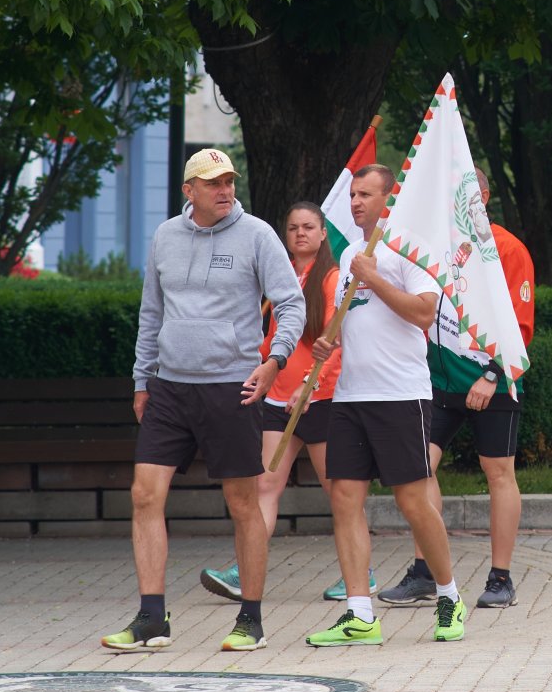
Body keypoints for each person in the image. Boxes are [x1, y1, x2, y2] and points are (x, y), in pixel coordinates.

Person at [102, 148, 304, 654]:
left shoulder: (257, 234)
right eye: (213, 182)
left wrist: (274, 359)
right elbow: (152, 313)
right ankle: (152, 617)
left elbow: (291, 303)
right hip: (169, 386)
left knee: (242, 502)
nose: (225, 189)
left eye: (230, 180)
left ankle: (250, 619)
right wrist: (141, 381)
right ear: (188, 190)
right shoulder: (165, 236)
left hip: (231, 385)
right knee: (144, 495)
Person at [306, 163, 469, 646]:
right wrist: (327, 344)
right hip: (352, 395)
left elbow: (424, 312)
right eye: (352, 194)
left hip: (401, 395)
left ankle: (449, 595)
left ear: (388, 198)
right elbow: (350, 321)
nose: (354, 202)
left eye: (365, 195)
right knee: (344, 499)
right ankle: (360, 612)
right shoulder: (354, 251)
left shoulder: (406, 248)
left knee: (412, 501)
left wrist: (374, 278)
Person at [198, 201, 372, 606]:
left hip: (322, 398)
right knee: (265, 484)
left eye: (309, 226)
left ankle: (363, 574)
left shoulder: (331, 279)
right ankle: (244, 571)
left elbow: (339, 340)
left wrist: (315, 384)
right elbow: (276, 339)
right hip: (279, 398)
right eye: (292, 227)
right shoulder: (283, 277)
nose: (300, 234)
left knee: (340, 493)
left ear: (323, 232)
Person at [381, 168, 535, 610]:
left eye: (466, 196)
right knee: (419, 468)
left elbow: (520, 324)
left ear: (483, 197)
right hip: (439, 382)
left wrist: (492, 375)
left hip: (493, 382)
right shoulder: (433, 250)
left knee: (498, 473)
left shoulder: (507, 248)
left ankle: (500, 578)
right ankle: (425, 571)